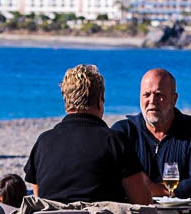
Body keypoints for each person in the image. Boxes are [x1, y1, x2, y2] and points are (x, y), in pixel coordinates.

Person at [24, 64, 156, 205]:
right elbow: (142, 201)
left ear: (66, 102)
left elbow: (39, 198)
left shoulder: (44, 142)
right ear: (100, 100)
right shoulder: (115, 142)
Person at [110, 68, 191, 201]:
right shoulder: (123, 132)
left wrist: (159, 189)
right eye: (146, 95)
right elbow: (106, 181)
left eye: (159, 95)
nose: (152, 100)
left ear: (174, 99)